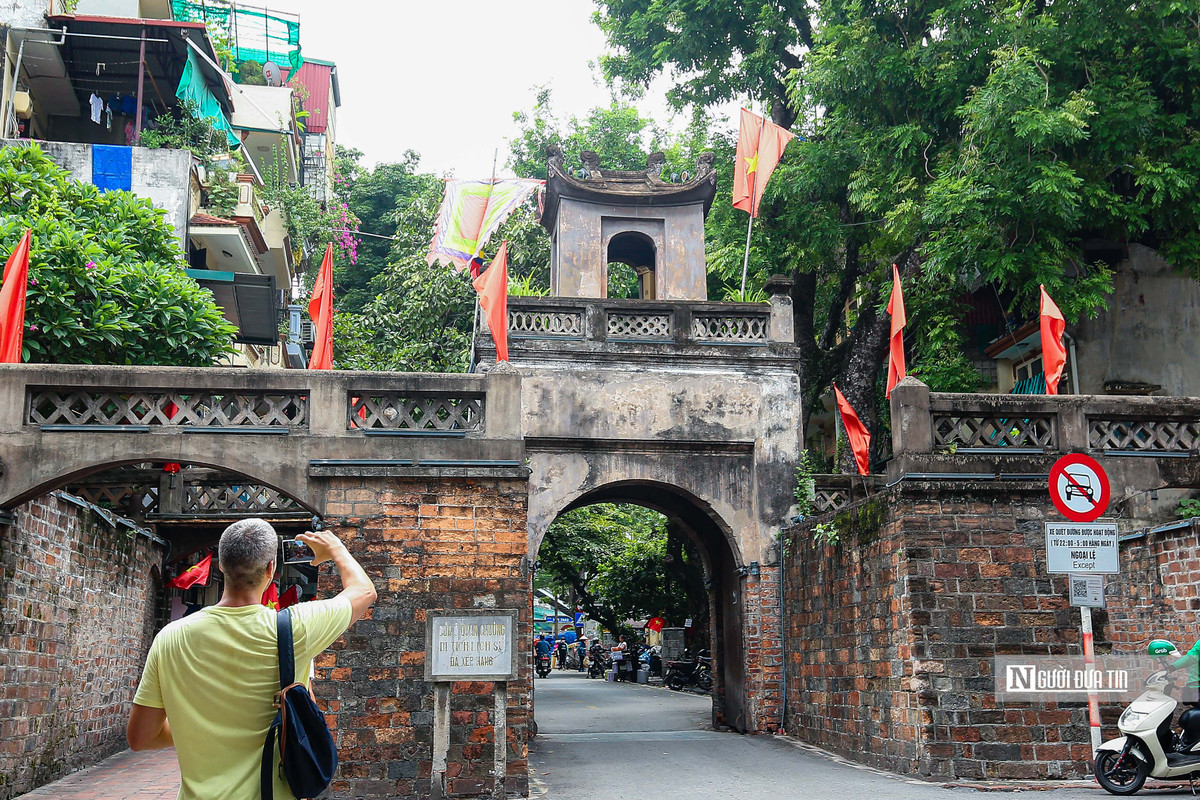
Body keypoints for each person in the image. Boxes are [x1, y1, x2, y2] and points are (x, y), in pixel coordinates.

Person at [126, 519, 377, 800]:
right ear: (271, 569)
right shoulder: (296, 628)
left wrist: (201, 725)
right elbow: (364, 592)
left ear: (221, 564)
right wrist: (335, 547)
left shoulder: (170, 638)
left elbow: (141, 737)